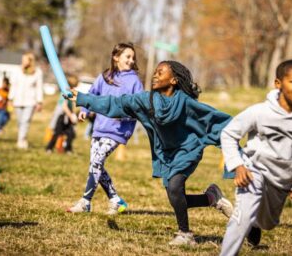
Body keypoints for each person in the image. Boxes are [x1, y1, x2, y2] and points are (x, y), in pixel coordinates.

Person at [68, 60, 233, 245]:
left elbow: (213, 119)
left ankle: (185, 235)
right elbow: (116, 103)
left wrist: (245, 130)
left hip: (188, 149)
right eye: (155, 72)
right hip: (166, 152)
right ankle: (211, 198)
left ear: (174, 80)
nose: (155, 75)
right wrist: (84, 99)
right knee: (175, 196)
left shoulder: (186, 103)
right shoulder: (145, 100)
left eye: (160, 73)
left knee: (174, 188)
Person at [219, 60, 292, 255]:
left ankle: (255, 224)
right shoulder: (260, 111)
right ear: (278, 83)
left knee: (268, 223)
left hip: (282, 181)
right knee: (242, 217)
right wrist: (238, 166)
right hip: (253, 171)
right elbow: (229, 134)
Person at [67, 42, 143, 215]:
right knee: (96, 164)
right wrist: (85, 110)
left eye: (133, 57)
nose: (131, 60)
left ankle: (85, 202)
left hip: (118, 131)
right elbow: (92, 95)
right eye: (127, 56)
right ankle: (115, 200)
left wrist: (123, 115)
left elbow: (139, 108)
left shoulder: (135, 82)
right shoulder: (105, 76)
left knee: (97, 162)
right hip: (99, 128)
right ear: (116, 57)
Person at [8, 52, 43, 149]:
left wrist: (39, 101)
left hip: (30, 101)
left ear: (30, 61)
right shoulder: (17, 71)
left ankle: (20, 140)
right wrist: (10, 98)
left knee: (26, 121)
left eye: (25, 60)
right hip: (18, 100)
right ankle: (23, 139)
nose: (23, 62)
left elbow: (39, 87)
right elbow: (13, 85)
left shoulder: (37, 72)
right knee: (20, 122)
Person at [46, 75, 79, 154]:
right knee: (57, 133)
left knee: (71, 133)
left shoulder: (71, 92)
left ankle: (68, 149)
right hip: (62, 117)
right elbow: (64, 106)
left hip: (68, 116)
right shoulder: (65, 92)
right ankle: (49, 148)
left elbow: (72, 105)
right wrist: (71, 116)